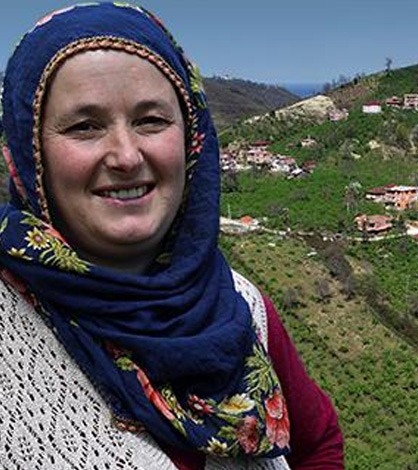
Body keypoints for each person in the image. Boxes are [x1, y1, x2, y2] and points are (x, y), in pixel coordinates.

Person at [0, 3, 343, 469]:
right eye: (85, 126)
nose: (125, 156)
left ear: (191, 138)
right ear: (30, 150)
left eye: (151, 121)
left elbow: (318, 441)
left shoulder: (239, 307)